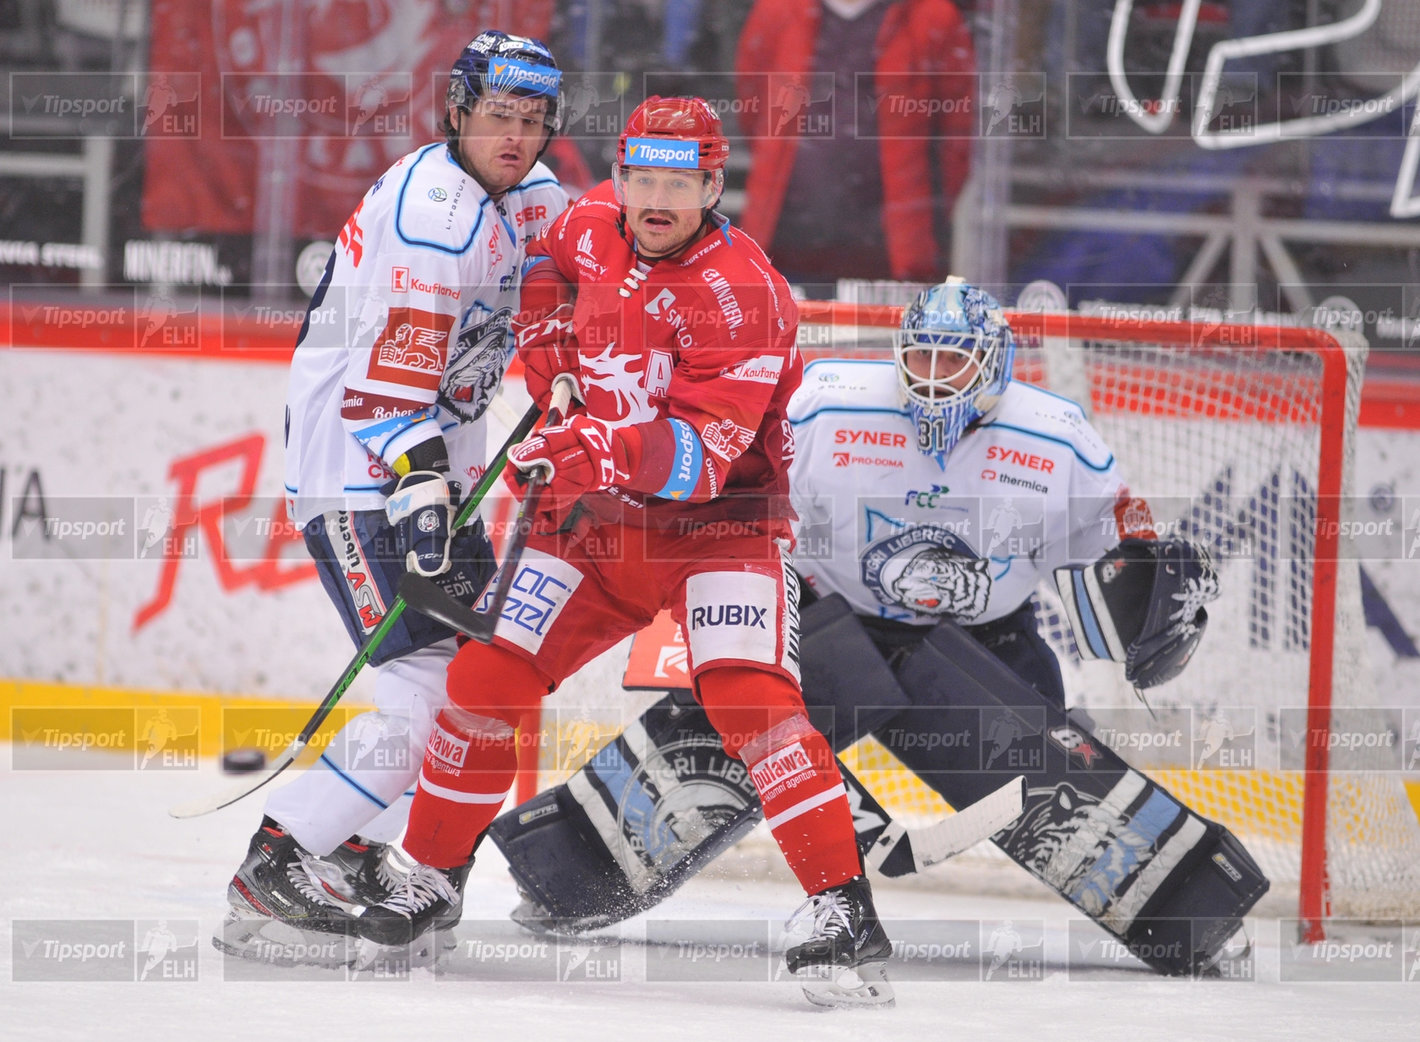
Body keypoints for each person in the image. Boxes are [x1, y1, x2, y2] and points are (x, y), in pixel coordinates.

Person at [488, 278, 1270, 977]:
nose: (932, 382)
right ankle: (564, 877)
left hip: (983, 636)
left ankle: (1198, 916)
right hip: (832, 615)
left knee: (1057, 794)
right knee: (727, 741)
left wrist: (1161, 601)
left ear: (995, 368)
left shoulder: (1057, 439)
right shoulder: (830, 400)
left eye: (953, 364)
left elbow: (1121, 556)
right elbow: (728, 464)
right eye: (920, 360)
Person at [345, 94, 896, 1007]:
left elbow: (701, 458)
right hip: (593, 525)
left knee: (750, 703)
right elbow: (548, 275)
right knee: (488, 679)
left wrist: (587, 445)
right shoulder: (595, 220)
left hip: (721, 526)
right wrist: (551, 352)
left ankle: (843, 908)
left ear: (715, 186)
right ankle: (435, 877)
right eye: (639, 175)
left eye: (679, 183)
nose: (652, 198)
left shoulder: (747, 296)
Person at [216, 30, 569, 962]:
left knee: (481, 680)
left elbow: (573, 282)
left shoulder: (531, 194)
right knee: (424, 688)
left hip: (433, 468)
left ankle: (365, 850)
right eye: (499, 116)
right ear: (458, 110)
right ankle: (279, 858)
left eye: (533, 121)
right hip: (362, 471)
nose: (516, 136)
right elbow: (383, 397)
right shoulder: (434, 216)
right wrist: (419, 496)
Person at [735, 0, 975, 288]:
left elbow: (957, 137)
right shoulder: (779, 10)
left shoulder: (932, 17)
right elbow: (753, 110)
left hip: (890, 261)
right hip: (785, 248)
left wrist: (918, 213)